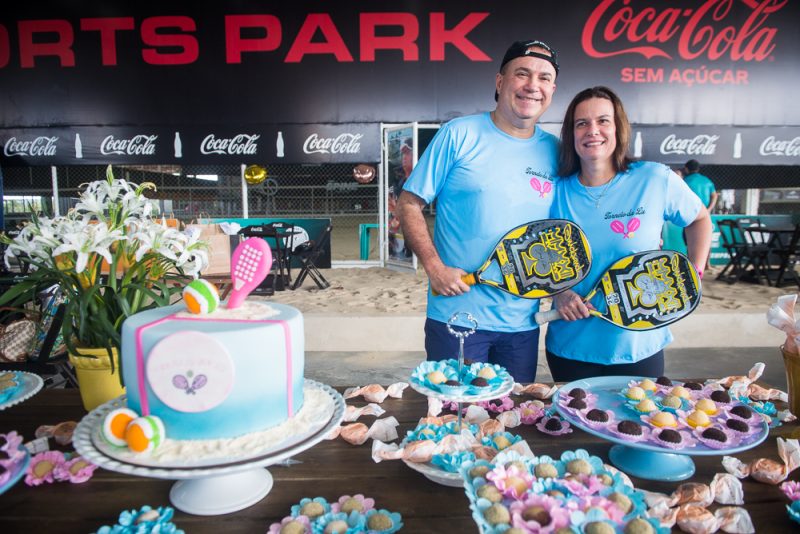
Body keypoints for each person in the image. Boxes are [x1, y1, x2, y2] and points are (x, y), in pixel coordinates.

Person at [397, 39, 561, 382]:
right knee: (452, 422)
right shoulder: (459, 134)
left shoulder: (557, 152)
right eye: (523, 74)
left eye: (544, 78)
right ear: (500, 82)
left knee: (508, 423)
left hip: (523, 324)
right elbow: (409, 202)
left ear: (552, 90)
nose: (533, 85)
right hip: (457, 317)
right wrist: (434, 267)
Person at [545, 86, 712, 382]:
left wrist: (694, 272)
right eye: (581, 123)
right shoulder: (554, 191)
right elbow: (544, 261)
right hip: (570, 347)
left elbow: (700, 219)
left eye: (603, 121)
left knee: (636, 426)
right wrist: (560, 294)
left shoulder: (654, 178)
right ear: (571, 134)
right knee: (574, 428)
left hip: (639, 346)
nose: (592, 130)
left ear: (618, 128)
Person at [682, 159, 717, 269]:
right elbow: (715, 195)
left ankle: (692, 265)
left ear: (687, 169)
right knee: (706, 240)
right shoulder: (707, 180)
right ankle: (707, 264)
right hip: (704, 215)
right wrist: (708, 210)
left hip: (691, 215)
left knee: (691, 241)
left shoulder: (685, 180)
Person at [388, 138, 414, 259]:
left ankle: (408, 251)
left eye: (408, 153)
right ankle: (394, 250)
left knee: (407, 224)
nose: (404, 157)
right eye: (403, 153)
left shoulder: (416, 178)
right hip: (399, 210)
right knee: (392, 226)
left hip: (407, 212)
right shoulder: (400, 179)